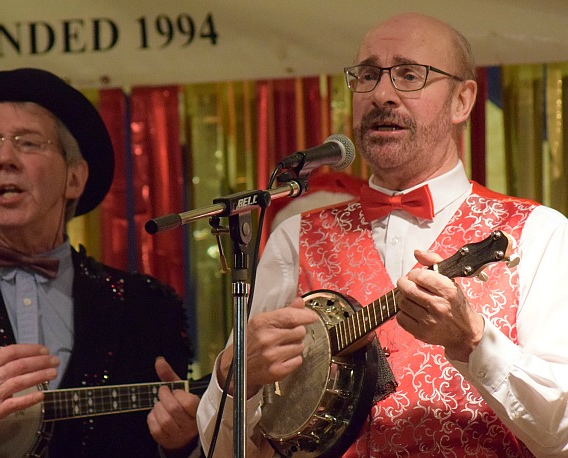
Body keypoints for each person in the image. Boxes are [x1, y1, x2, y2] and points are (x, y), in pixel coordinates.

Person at [197, 12, 568, 457]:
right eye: (368, 76)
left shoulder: (537, 232)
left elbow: (562, 434)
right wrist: (235, 380)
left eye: (410, 75)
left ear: (462, 100)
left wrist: (474, 343)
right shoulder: (295, 235)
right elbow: (225, 448)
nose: (381, 95)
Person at [0, 68, 202, 457]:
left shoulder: (145, 306)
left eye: (28, 143)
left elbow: (163, 436)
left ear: (74, 179)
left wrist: (181, 443)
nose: (5, 158)